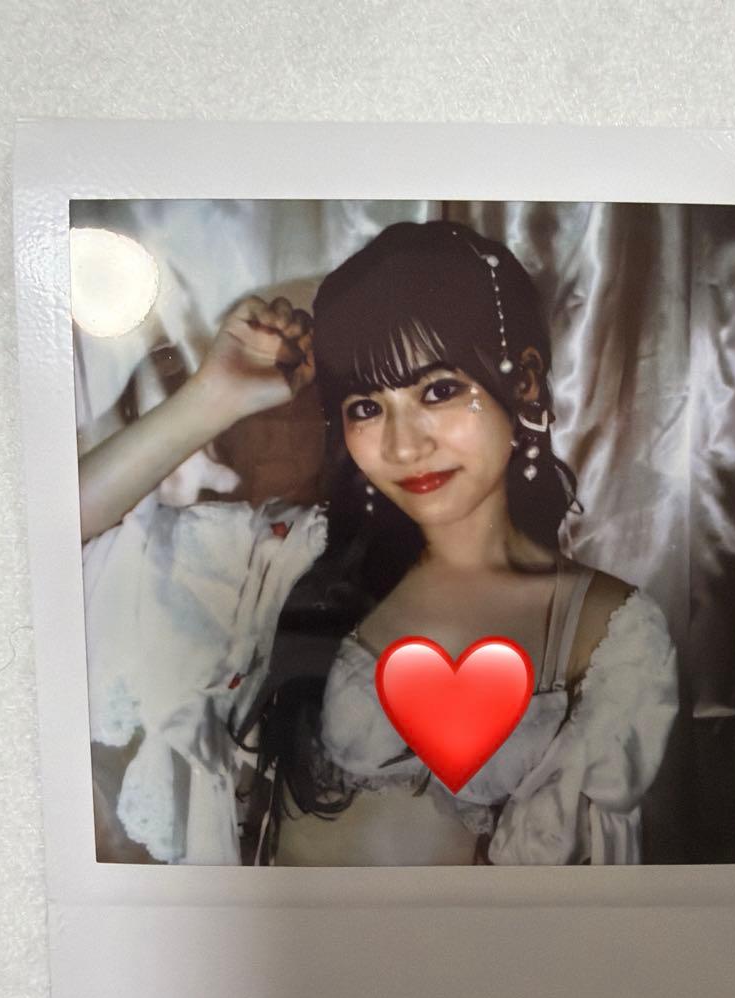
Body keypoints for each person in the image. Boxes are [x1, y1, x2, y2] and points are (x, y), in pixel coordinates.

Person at [79, 220, 678, 867]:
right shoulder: (284, 559)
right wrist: (214, 396)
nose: (403, 444)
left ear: (525, 382)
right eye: (367, 406)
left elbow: (591, 898)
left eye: (439, 391)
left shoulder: (610, 632)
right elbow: (48, 545)